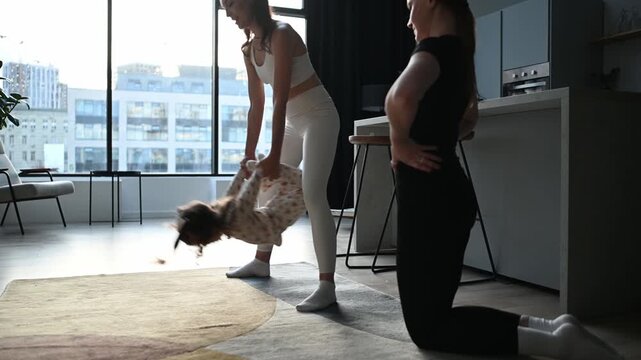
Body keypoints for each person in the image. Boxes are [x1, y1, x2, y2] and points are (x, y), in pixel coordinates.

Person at [384, 0, 624, 358]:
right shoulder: (458, 54)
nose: (408, 19)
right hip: (448, 197)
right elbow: (466, 123)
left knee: (428, 328)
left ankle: (558, 344)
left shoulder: (432, 51)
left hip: (430, 203)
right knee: (436, 316)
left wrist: (399, 142)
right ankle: (554, 329)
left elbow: (399, 97)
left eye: (410, 4)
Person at [219, 0, 340, 312]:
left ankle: (327, 285)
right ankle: (261, 261)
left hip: (319, 117)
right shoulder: (249, 50)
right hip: (292, 123)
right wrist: (250, 154)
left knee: (313, 193)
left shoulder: (283, 34)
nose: (228, 12)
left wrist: (273, 155)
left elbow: (280, 97)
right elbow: (257, 105)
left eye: (230, 4)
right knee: (264, 186)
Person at [173, 160, 306, 254]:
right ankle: (309, 178)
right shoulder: (235, 221)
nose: (213, 242)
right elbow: (248, 195)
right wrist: (258, 172)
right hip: (277, 218)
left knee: (287, 187)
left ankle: (276, 175)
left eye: (208, 242)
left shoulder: (227, 219)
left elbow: (231, 194)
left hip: (273, 213)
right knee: (303, 188)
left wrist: (242, 172)